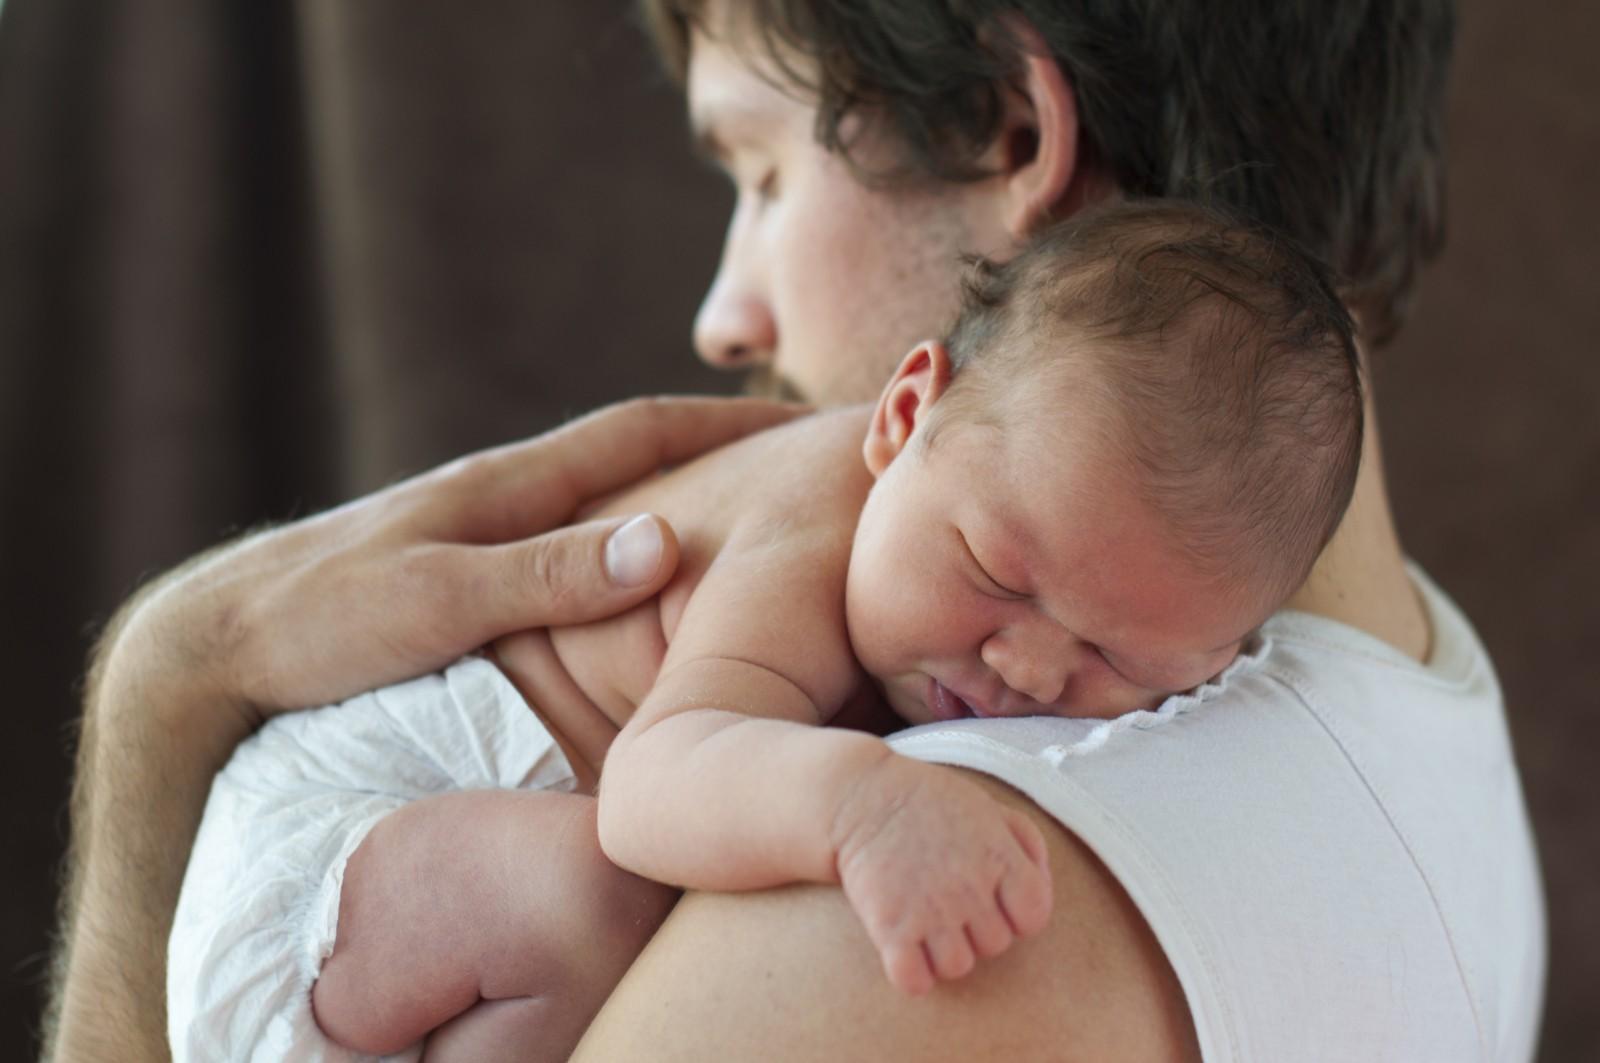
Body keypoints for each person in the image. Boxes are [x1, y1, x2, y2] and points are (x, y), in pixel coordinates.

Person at [46, 1, 1546, 1061]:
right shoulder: (1428, 699)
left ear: (1018, 129)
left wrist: (161, 706)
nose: (724, 315)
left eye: (764, 170)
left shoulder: (925, 937)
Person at [166, 202, 1365, 1062]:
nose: (1029, 667)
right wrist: (861, 804)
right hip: (330, 851)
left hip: (443, 900)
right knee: (590, 896)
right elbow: (652, 785)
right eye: (997, 573)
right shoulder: (811, 535)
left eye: (1126, 662)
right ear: (904, 417)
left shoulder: (1007, 535)